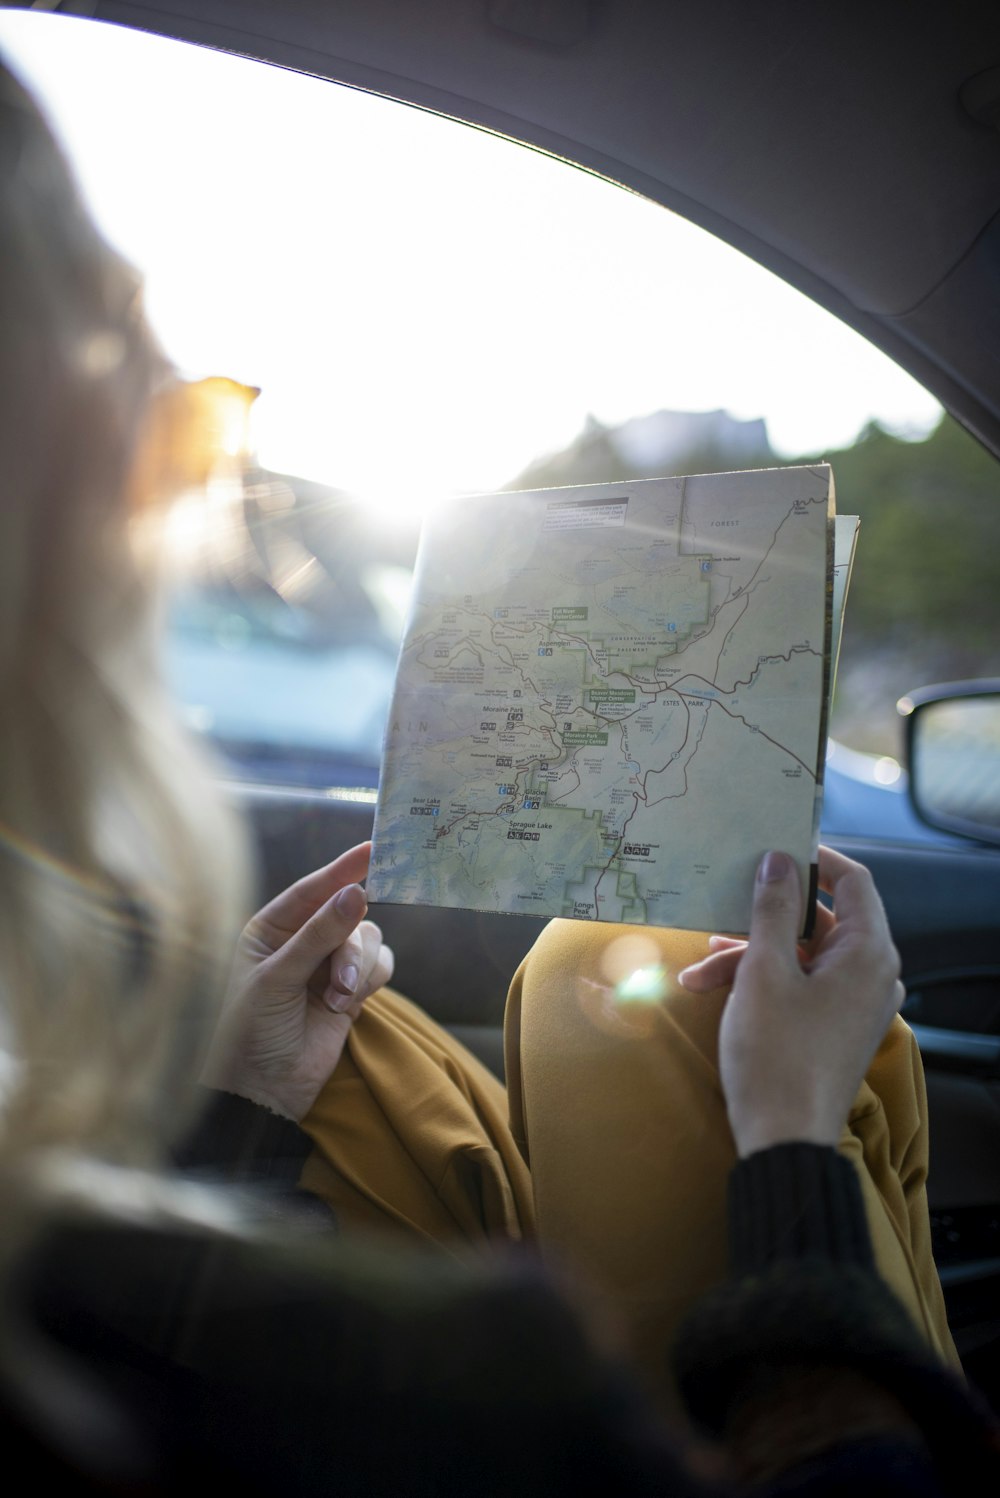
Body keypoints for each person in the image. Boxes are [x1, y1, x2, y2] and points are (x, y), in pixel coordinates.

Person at [1, 50, 997, 1496]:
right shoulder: (496, 1395)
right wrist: (787, 1134)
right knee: (623, 990)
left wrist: (239, 1106)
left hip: (206, 1303)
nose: (204, 461)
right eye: (170, 398)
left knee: (544, 997)